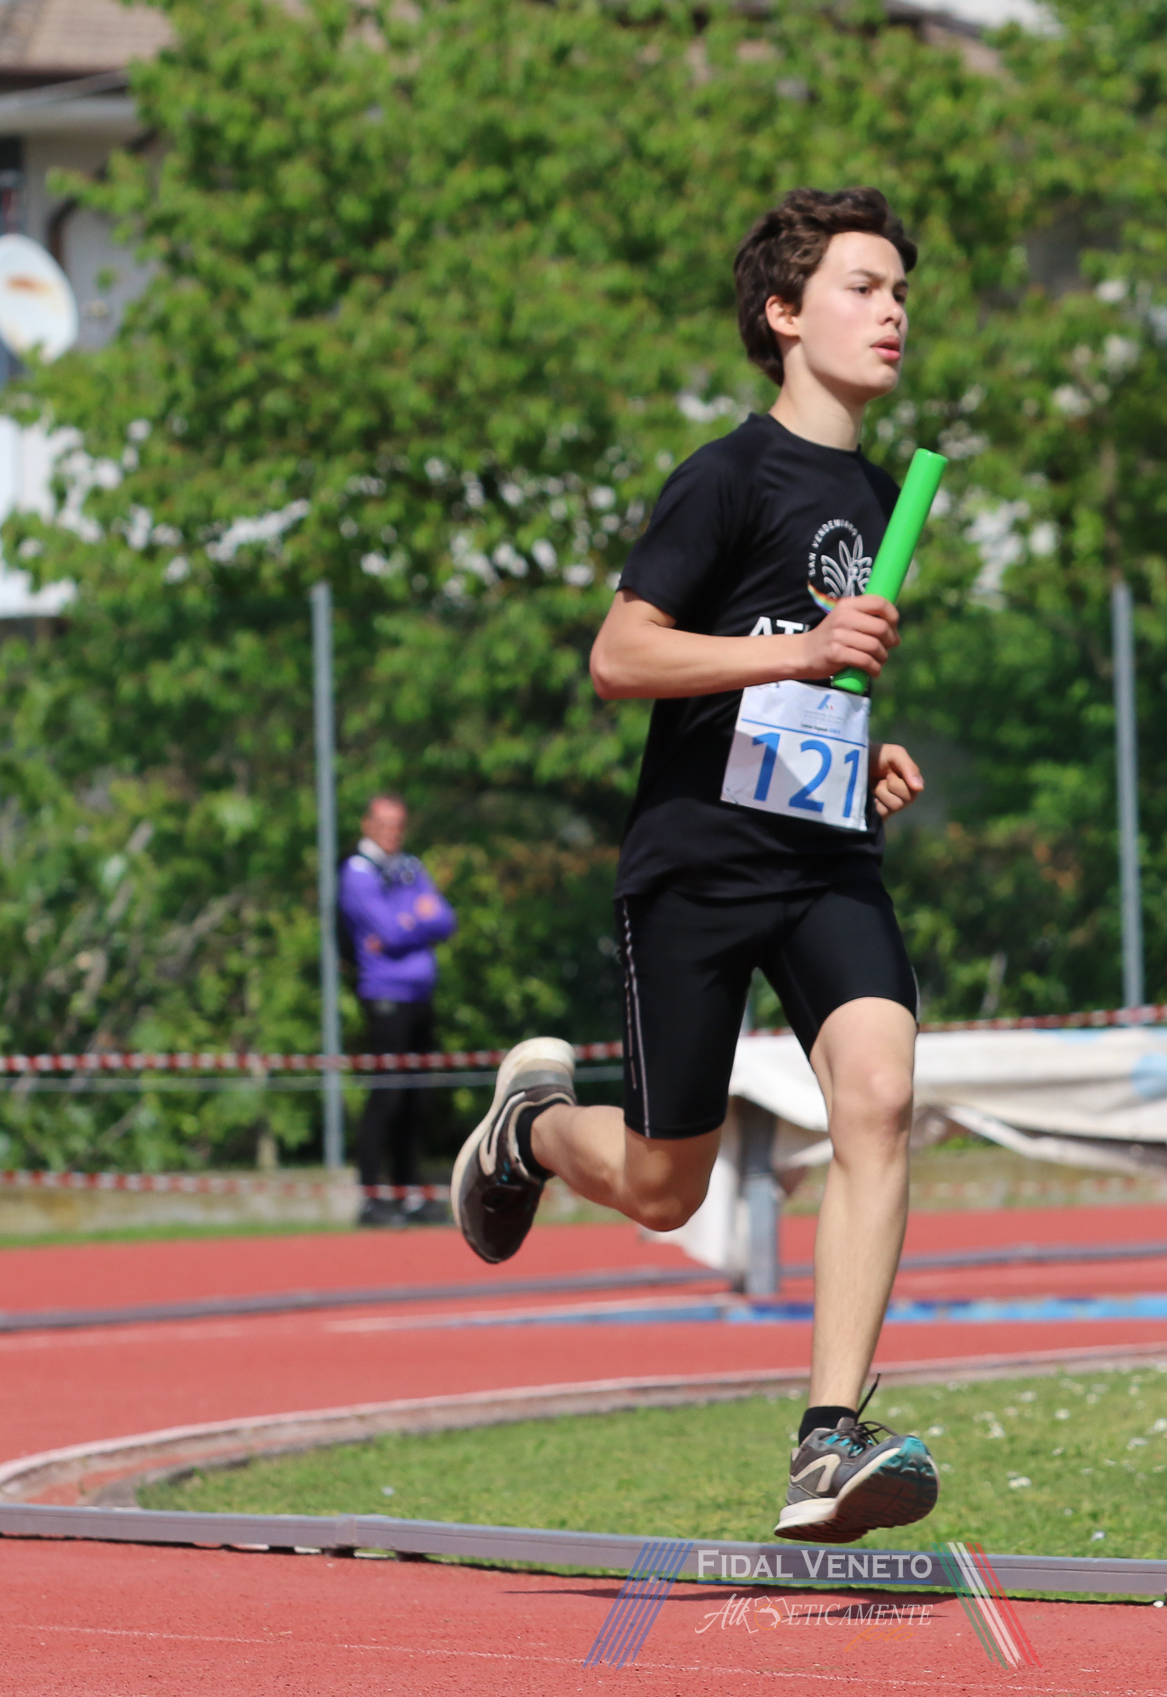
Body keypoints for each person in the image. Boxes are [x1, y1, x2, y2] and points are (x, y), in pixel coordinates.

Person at [447, 188, 938, 1544]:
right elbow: (622, 656)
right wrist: (807, 651)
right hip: (698, 865)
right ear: (784, 314)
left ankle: (828, 1440)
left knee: (881, 1095)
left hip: (824, 855)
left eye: (901, 292)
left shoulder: (881, 496)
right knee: (669, 1188)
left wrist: (861, 750)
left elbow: (805, 679)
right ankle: (529, 1129)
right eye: (862, 287)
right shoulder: (726, 475)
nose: (892, 312)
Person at [339, 792, 458, 1227]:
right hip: (384, 995)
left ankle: (409, 1195)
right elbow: (387, 931)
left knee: (416, 1099)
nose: (392, 832)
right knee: (386, 1097)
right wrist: (415, 917)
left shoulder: (409, 866)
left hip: (420, 995)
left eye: (399, 824)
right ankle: (371, 1198)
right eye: (385, 823)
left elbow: (445, 919)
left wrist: (410, 921)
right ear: (367, 824)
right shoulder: (358, 872)